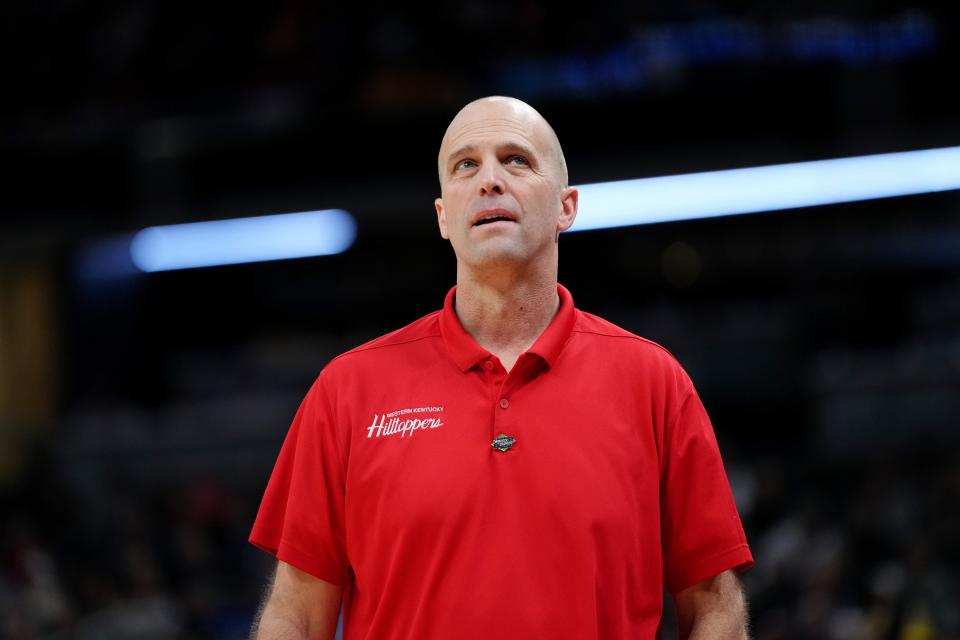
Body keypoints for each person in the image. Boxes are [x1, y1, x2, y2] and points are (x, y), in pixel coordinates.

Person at [249, 96, 754, 640]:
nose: (489, 180)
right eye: (465, 165)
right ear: (444, 216)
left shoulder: (654, 382)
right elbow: (296, 613)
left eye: (516, 159)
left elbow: (713, 606)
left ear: (567, 206)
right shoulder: (347, 390)